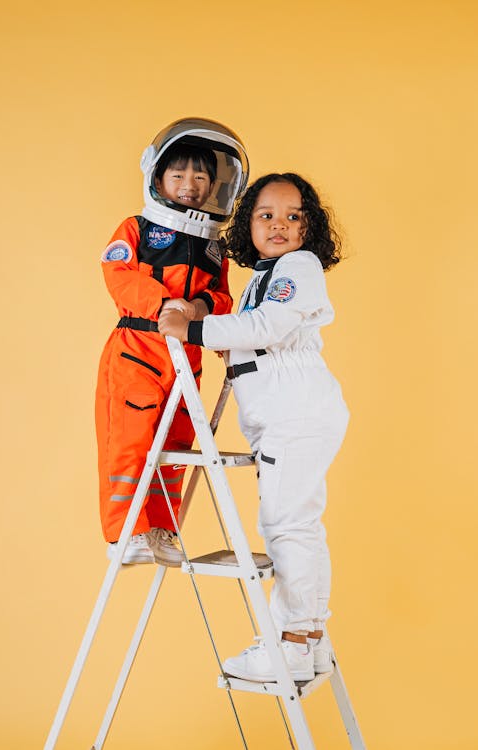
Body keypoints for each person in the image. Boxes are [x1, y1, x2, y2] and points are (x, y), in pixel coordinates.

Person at [158, 173, 349, 682]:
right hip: (282, 413)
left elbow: (270, 325)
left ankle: (289, 642)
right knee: (298, 525)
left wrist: (193, 329)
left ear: (310, 227)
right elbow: (258, 334)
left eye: (293, 216)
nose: (279, 225)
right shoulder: (262, 277)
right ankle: (309, 639)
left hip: (296, 411)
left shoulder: (298, 267)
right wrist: (229, 342)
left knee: (287, 527)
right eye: (266, 215)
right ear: (248, 224)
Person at [95, 118, 249, 568]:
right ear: (157, 177)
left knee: (177, 447)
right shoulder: (137, 229)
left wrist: (198, 308)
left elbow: (222, 296)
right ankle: (125, 533)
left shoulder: (211, 248)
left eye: (201, 176)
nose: (190, 184)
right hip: (137, 350)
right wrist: (166, 305)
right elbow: (117, 275)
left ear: (215, 186)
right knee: (130, 442)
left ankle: (161, 529)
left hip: (187, 358)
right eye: (178, 174)